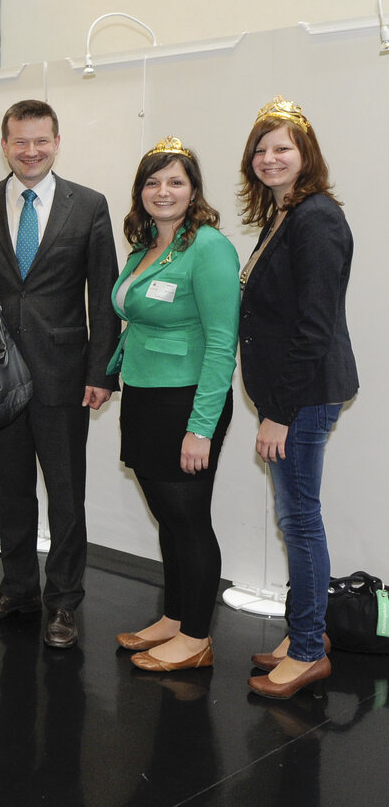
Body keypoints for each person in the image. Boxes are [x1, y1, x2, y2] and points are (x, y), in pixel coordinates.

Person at [0, 99, 120, 648]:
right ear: (3, 145)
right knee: (10, 492)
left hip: (65, 377)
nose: (31, 151)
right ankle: (19, 587)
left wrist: (102, 371)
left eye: (41, 141)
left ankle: (64, 604)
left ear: (57, 142)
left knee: (65, 494)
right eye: (20, 142)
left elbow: (103, 296)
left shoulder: (89, 205)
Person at [239, 97, 357, 699]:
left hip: (302, 396)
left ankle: (309, 648)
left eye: (282, 147)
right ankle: (302, 631)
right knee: (297, 519)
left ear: (305, 153)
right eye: (261, 149)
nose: (270, 158)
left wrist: (278, 414)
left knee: (299, 520)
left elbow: (315, 326)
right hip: (290, 394)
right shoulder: (284, 215)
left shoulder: (316, 219)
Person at [108, 137, 240, 672]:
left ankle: (197, 637)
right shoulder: (145, 250)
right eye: (152, 182)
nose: (163, 191)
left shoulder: (208, 247)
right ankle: (174, 617)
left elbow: (221, 341)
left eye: (175, 181)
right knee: (168, 518)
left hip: (187, 401)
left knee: (189, 520)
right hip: (143, 395)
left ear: (193, 190)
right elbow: (135, 320)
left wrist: (201, 427)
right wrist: (109, 374)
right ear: (140, 192)